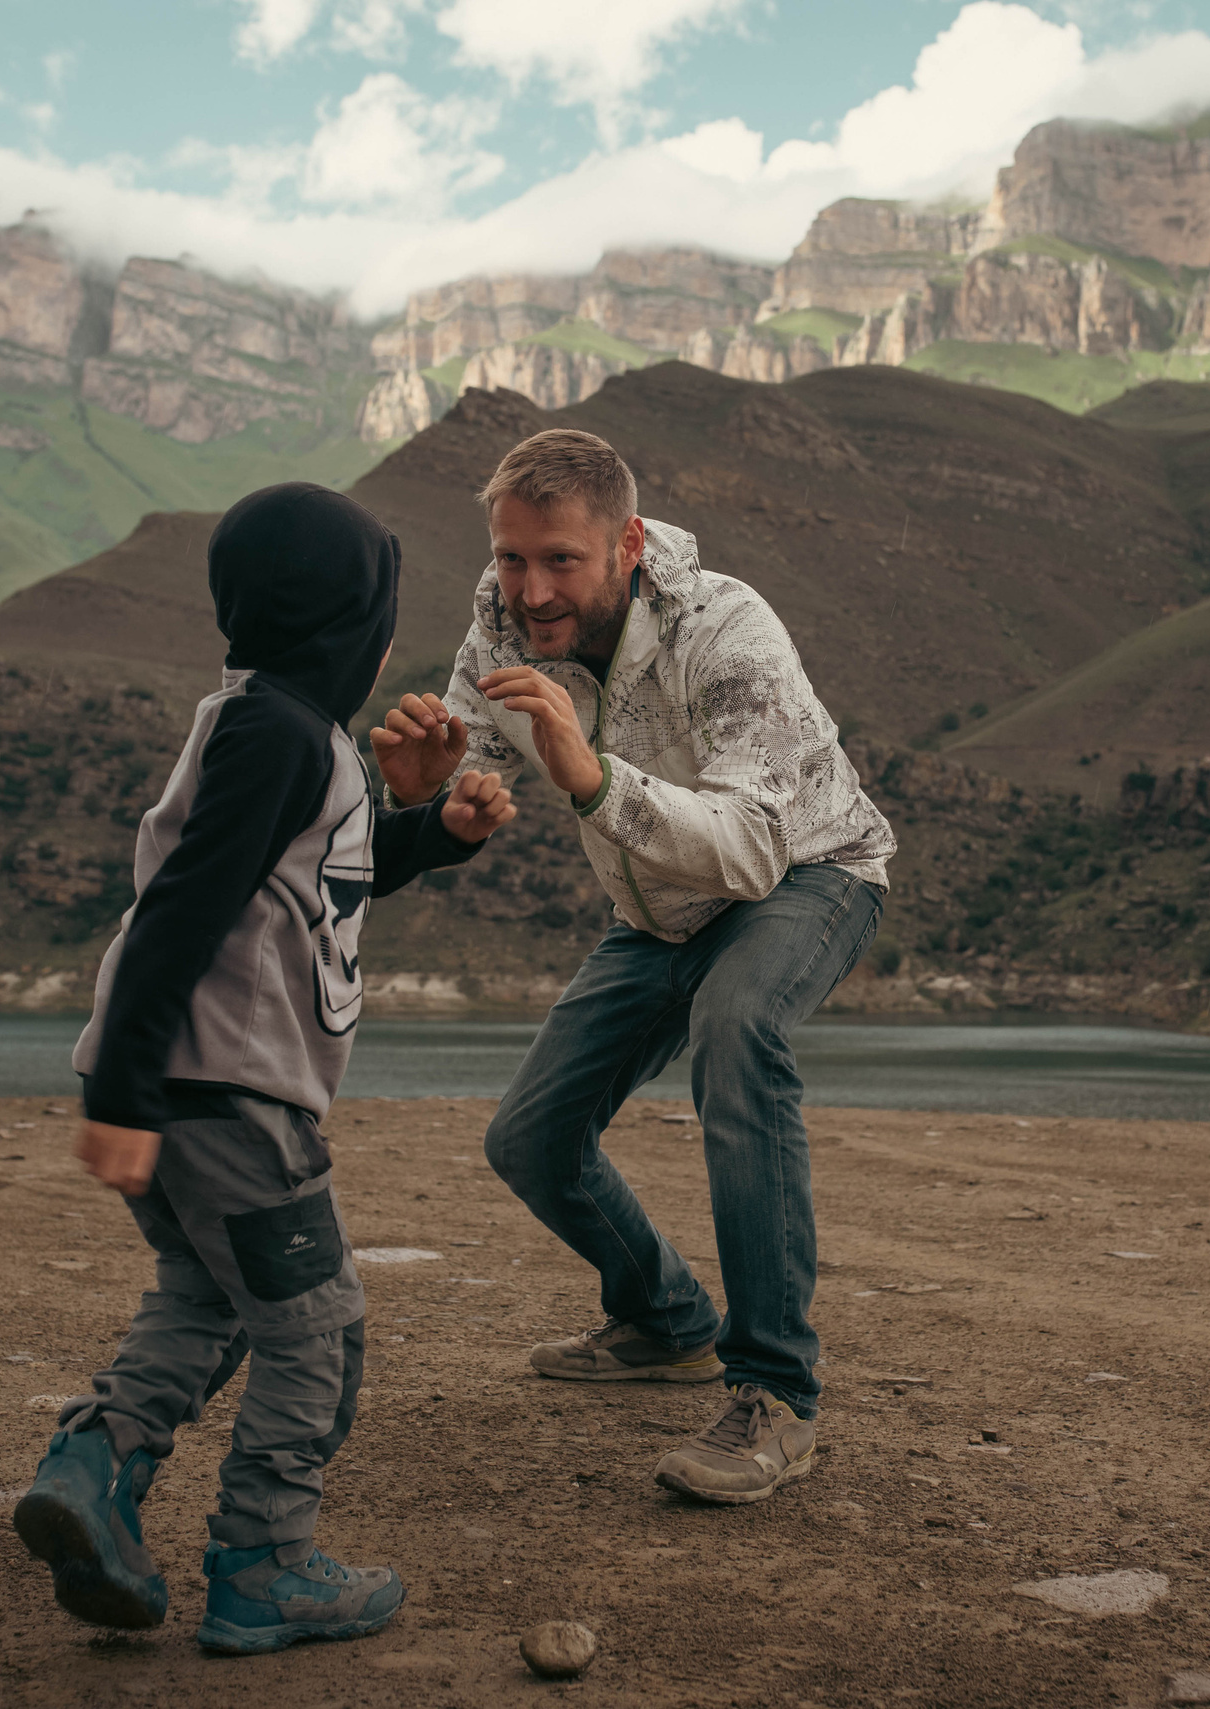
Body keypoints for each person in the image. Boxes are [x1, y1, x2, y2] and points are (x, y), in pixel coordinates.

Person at [12, 483, 517, 1653]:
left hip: (202, 1090)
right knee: (317, 1328)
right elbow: (181, 907)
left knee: (209, 1298)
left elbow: (322, 880)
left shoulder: (293, 736)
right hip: (229, 1094)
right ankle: (265, 1560)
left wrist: (434, 833)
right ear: (349, 621)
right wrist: (124, 1094)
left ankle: (95, 1474)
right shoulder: (277, 733)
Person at [371, 428, 895, 1505]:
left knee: (736, 1028)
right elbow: (465, 745)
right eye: (513, 558)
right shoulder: (499, 611)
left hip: (806, 871)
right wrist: (430, 786)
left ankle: (774, 1392)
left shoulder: (727, 628)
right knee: (529, 1138)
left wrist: (591, 775)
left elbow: (752, 845)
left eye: (560, 559)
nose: (529, 587)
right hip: (658, 908)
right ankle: (666, 1320)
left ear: (629, 544)